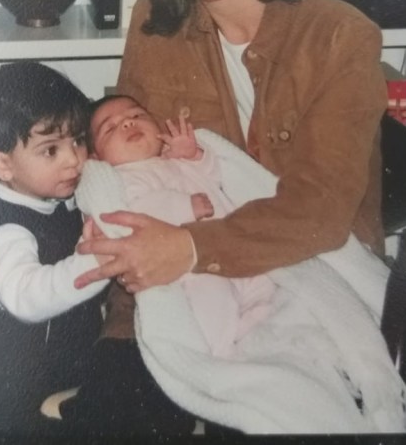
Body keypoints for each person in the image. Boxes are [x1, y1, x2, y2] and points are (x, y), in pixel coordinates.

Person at [70, 0, 389, 433]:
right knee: (114, 415)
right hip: (177, 285)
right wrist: (107, 235)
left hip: (306, 281)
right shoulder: (155, 25)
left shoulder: (339, 36)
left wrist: (190, 247)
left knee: (272, 412)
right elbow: (128, 167)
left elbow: (320, 213)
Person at [0, 61, 109, 434]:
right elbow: (27, 299)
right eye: (50, 150)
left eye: (78, 140)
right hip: (10, 399)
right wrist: (96, 264)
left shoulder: (49, 194)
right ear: (2, 164)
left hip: (56, 370)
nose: (74, 159)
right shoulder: (8, 230)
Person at [87, 93, 274, 359]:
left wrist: (195, 155)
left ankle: (257, 335)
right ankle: (222, 355)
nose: (128, 123)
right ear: (97, 158)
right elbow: (139, 213)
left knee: (266, 286)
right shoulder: (123, 178)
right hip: (190, 269)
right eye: (111, 128)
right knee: (212, 300)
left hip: (230, 249)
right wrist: (185, 206)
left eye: (137, 115)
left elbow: (215, 178)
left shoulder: (174, 160)